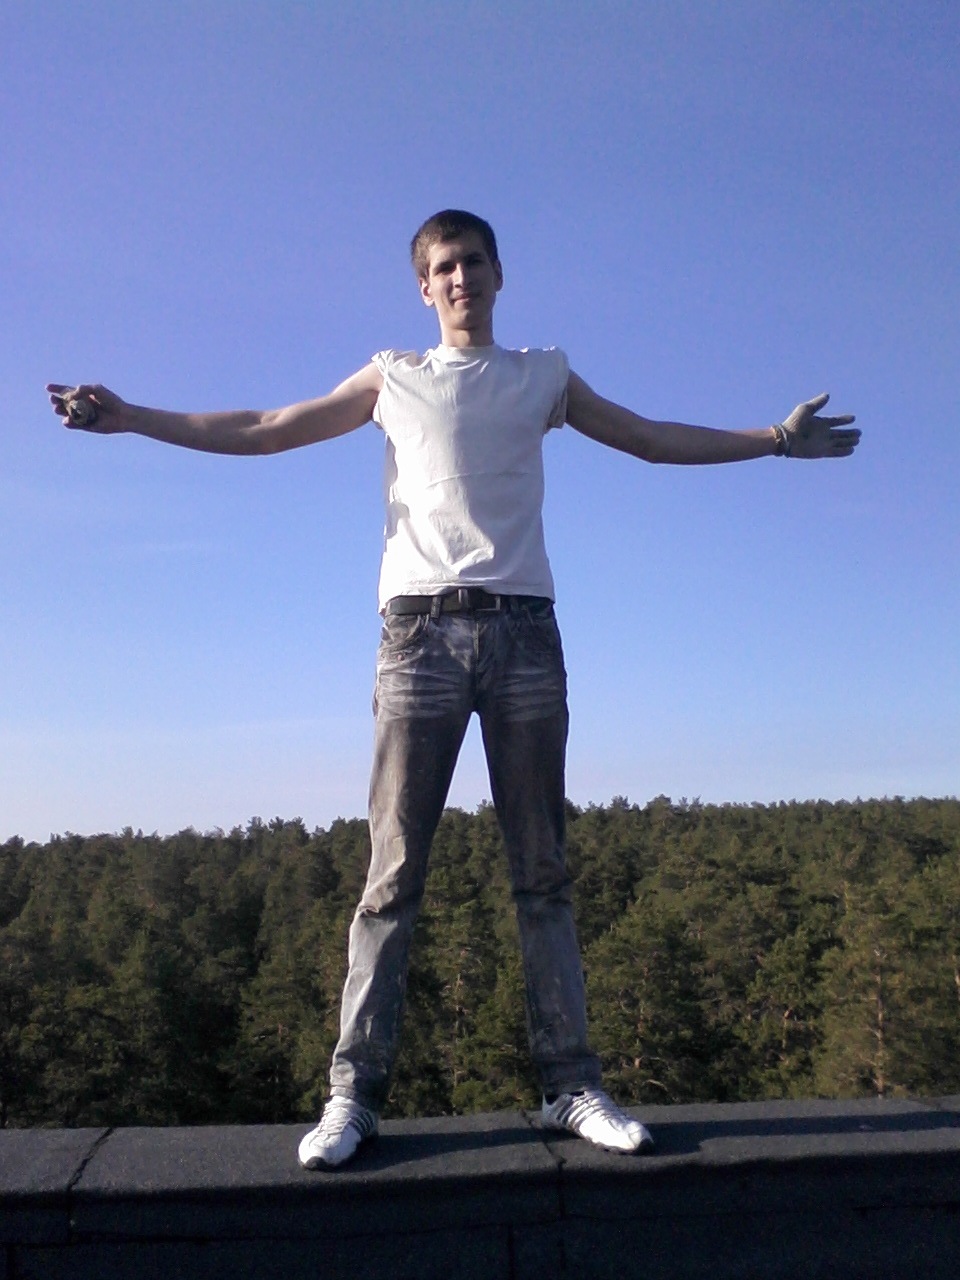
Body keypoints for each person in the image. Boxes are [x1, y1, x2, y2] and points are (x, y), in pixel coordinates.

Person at [47, 209, 860, 1170]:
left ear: (498, 275)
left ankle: (572, 1086)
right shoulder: (393, 376)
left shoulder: (542, 375)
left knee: (542, 872)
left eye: (473, 261)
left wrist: (773, 439)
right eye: (443, 266)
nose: (461, 277)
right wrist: (133, 417)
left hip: (525, 637)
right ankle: (353, 1098)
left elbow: (648, 437)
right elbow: (268, 429)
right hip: (418, 640)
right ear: (424, 288)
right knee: (391, 878)